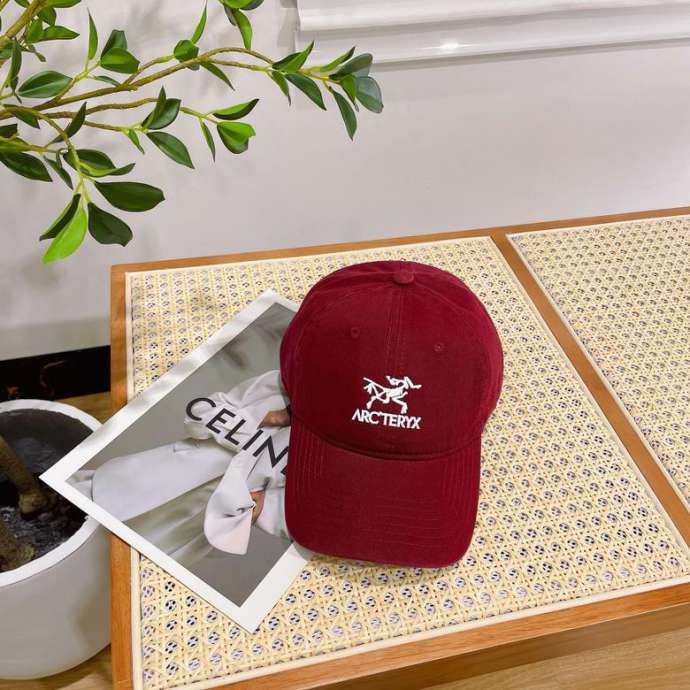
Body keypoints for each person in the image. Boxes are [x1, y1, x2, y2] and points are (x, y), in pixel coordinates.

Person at [70, 371, 291, 568]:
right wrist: (268, 418)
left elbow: (290, 518)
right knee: (73, 514)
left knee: (109, 572)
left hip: (192, 523)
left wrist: (259, 509)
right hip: (160, 474)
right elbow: (199, 413)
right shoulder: (284, 385)